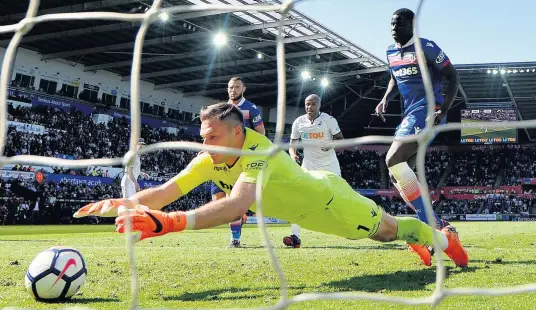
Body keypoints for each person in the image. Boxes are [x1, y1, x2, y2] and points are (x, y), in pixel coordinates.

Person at [74, 103, 468, 269]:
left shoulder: (260, 153)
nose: (202, 142)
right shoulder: (209, 156)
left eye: (210, 136)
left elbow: (236, 206)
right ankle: (421, 236)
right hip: (309, 204)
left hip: (331, 202)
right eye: (201, 135)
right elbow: (166, 191)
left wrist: (168, 223)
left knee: (386, 232)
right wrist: (125, 201)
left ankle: (443, 239)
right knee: (386, 232)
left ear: (235, 133)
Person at [375, 8, 461, 267]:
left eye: (399, 22)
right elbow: (394, 77)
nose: (394, 26)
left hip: (427, 113)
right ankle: (439, 227)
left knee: (392, 158)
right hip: (408, 115)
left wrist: (443, 110)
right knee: (398, 174)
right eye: (391, 22)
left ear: (413, 24)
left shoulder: (427, 48)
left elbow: (453, 76)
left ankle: (432, 224)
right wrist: (385, 98)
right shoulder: (391, 52)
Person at [211, 76, 265, 248]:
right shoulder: (222, 109)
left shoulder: (250, 109)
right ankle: (240, 215)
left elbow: (261, 133)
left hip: (240, 160)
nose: (232, 90)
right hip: (222, 158)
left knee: (230, 199)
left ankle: (235, 240)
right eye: (230, 87)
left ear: (244, 89)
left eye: (236, 87)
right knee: (217, 201)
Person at [284, 94, 344, 248]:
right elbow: (292, 144)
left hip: (330, 165)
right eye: (307, 104)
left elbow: (340, 139)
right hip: (309, 165)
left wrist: (330, 145)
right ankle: (295, 237)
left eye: (312, 104)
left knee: (339, 198)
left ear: (319, 105)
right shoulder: (299, 122)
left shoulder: (329, 120)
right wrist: (293, 155)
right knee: (297, 197)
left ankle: (350, 226)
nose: (309, 107)